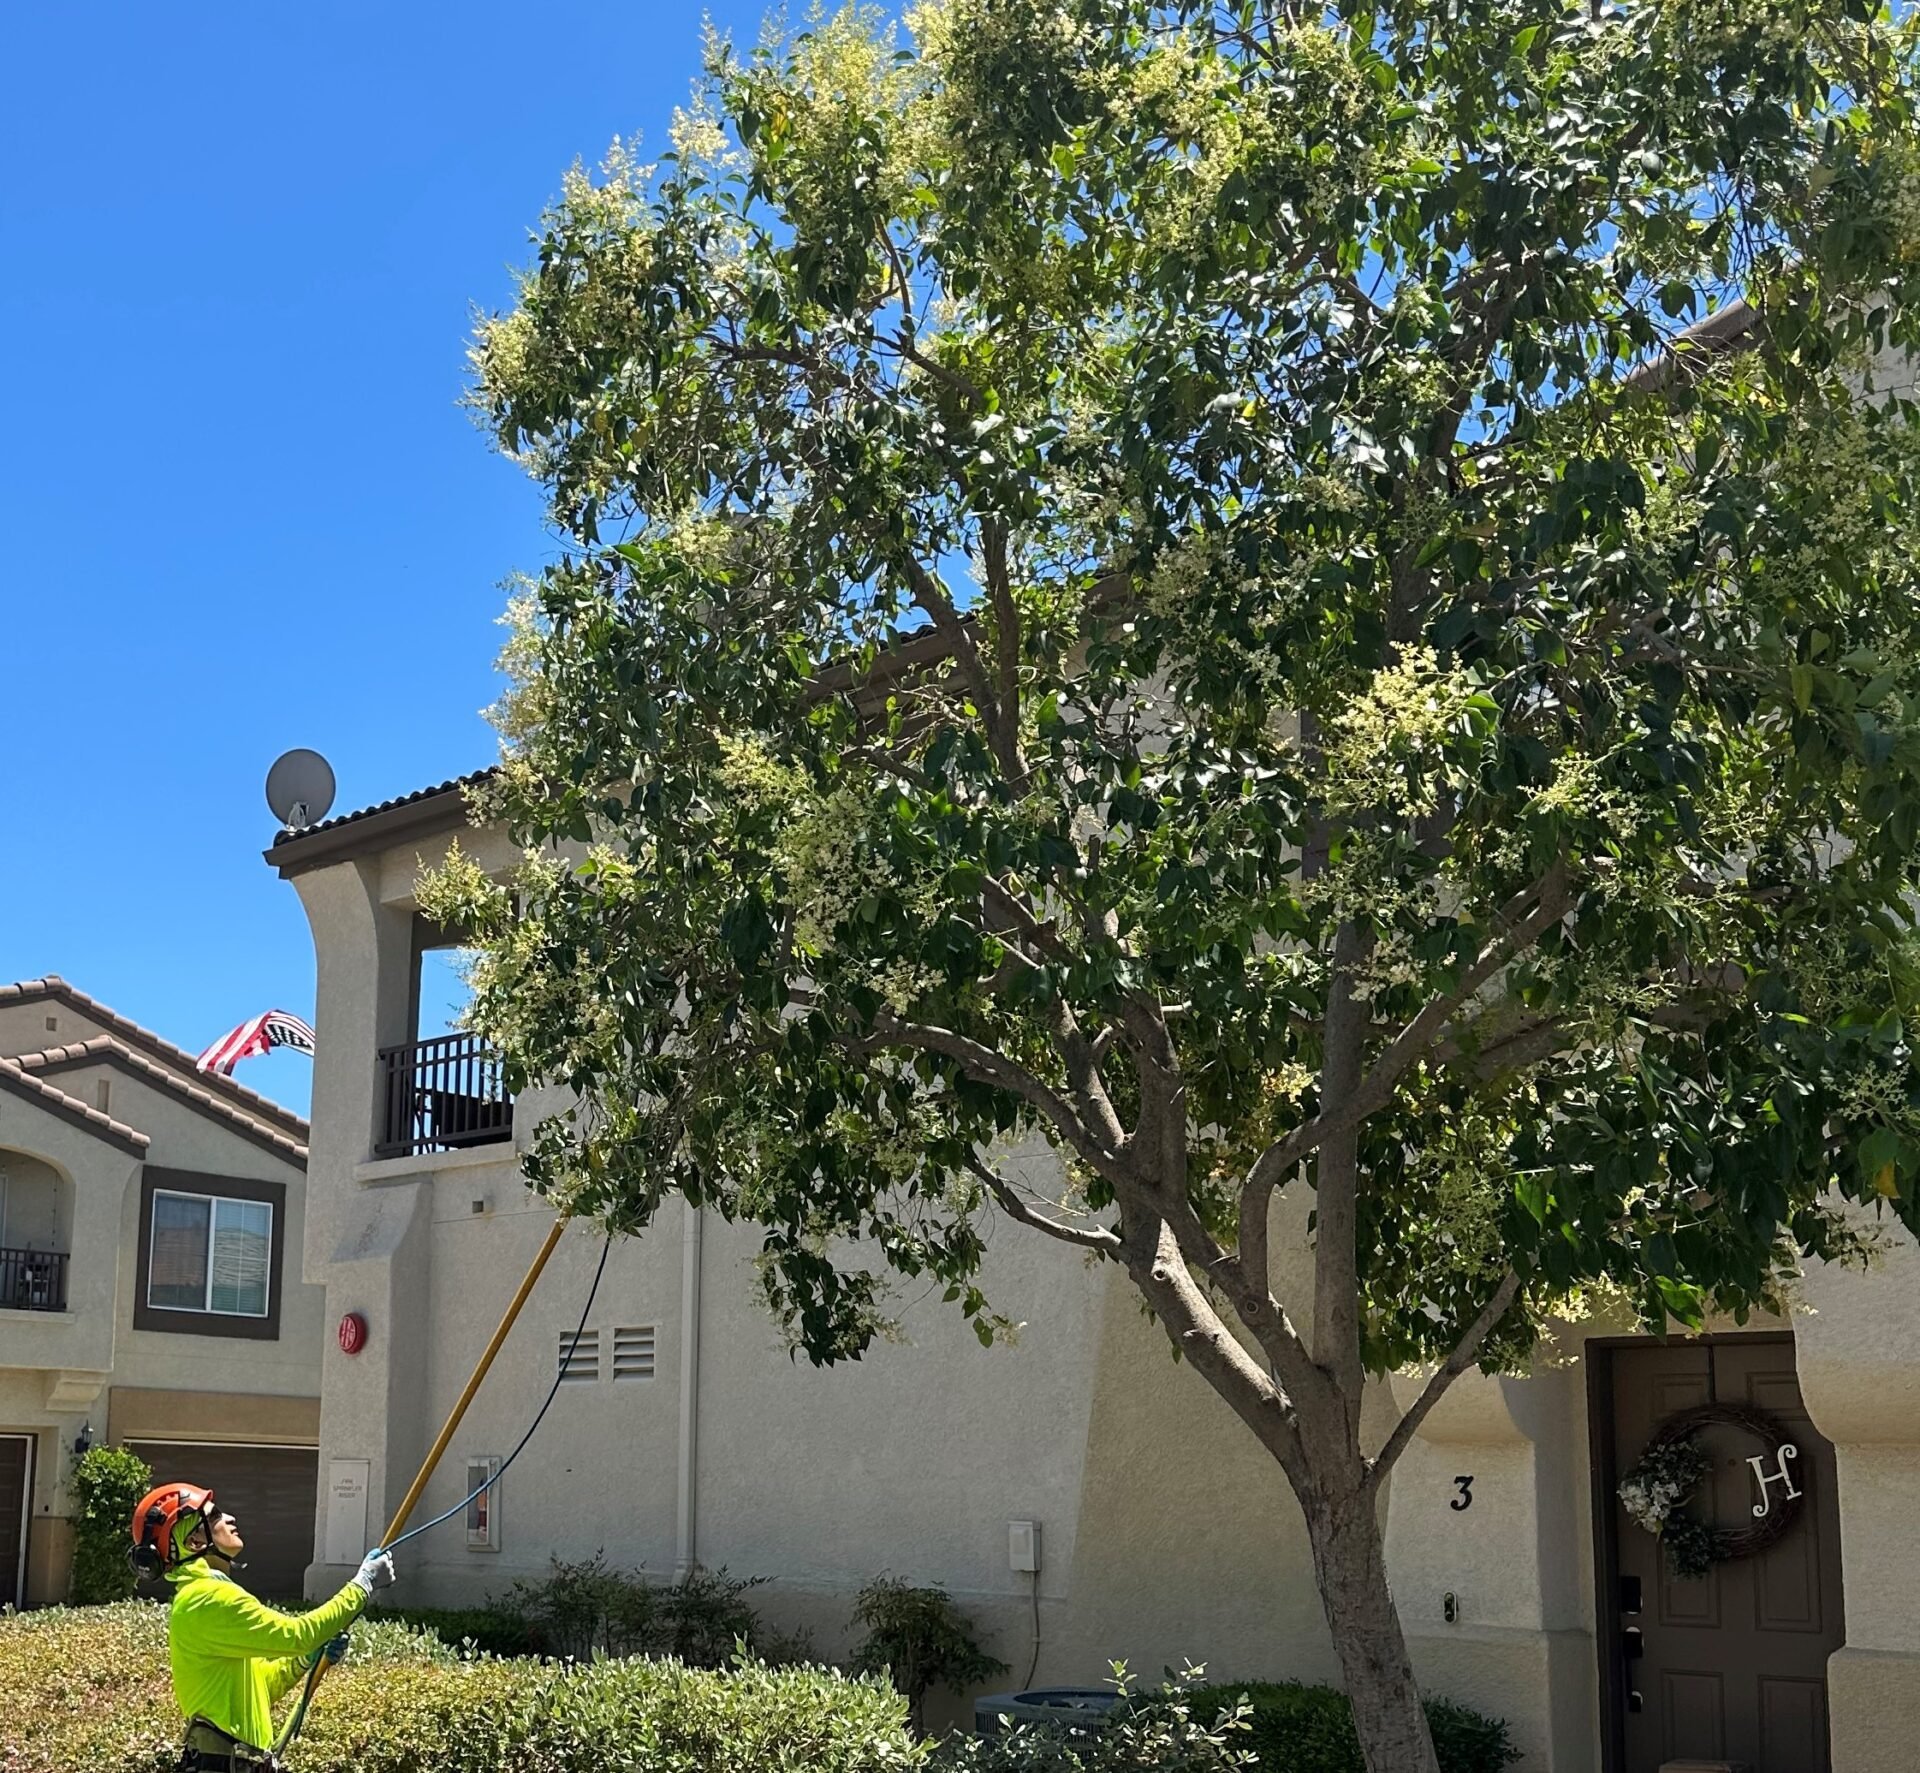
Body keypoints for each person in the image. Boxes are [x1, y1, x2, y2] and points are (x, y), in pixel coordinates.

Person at [129, 1481, 395, 1773]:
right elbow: (299, 1635)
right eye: (215, 1515)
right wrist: (363, 1584)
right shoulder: (207, 1599)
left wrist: (308, 1658)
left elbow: (262, 1687)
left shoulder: (203, 1596)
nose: (230, 1518)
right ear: (192, 1541)